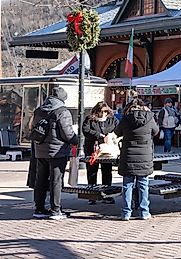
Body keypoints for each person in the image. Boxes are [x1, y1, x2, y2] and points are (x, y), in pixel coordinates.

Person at [32, 86, 78, 220]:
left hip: (40, 150)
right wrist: (76, 140)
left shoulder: (39, 110)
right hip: (58, 152)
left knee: (40, 180)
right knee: (56, 180)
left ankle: (39, 208)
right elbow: (67, 133)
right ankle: (55, 210)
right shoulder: (63, 112)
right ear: (63, 99)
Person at [115, 96, 159, 220]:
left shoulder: (126, 119)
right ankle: (144, 212)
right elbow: (156, 132)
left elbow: (117, 132)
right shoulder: (149, 118)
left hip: (128, 156)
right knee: (143, 185)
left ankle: (126, 213)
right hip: (144, 156)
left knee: (127, 185)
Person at [82, 102, 117, 203]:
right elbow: (85, 130)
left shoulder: (112, 119)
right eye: (101, 112)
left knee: (107, 171)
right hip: (93, 148)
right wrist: (99, 135)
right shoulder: (90, 119)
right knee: (92, 171)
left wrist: (111, 136)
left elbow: (117, 129)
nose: (103, 114)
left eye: (105, 112)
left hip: (107, 149)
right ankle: (92, 195)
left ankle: (107, 194)